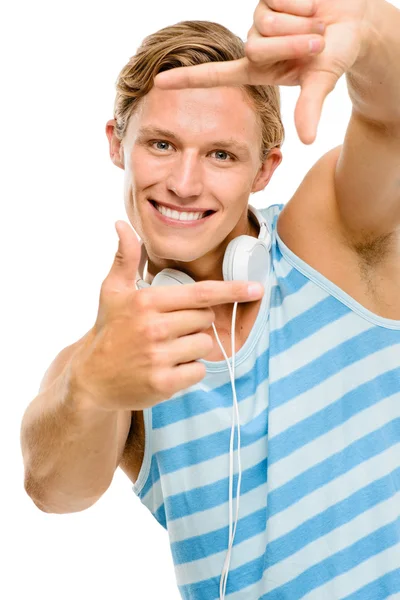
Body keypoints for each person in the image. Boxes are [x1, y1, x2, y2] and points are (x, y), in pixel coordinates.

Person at [21, 0, 400, 598]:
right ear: (117, 143)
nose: (184, 183)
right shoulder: (116, 354)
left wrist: (374, 30)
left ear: (265, 169)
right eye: (162, 144)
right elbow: (52, 490)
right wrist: (91, 386)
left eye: (221, 154)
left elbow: (390, 122)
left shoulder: (331, 238)